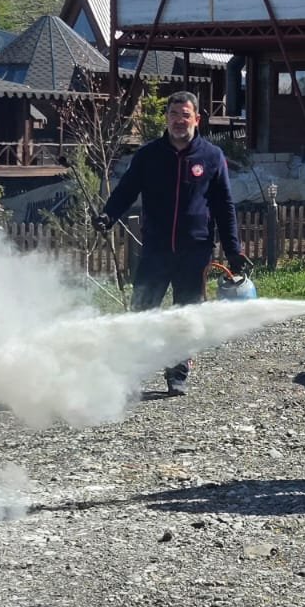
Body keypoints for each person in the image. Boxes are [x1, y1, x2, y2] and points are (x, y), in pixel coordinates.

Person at [94, 91, 249, 396]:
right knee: (142, 311)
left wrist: (234, 251)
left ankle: (177, 374)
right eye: (174, 115)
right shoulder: (148, 155)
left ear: (197, 119)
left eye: (185, 115)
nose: (179, 121)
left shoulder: (212, 157)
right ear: (166, 118)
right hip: (156, 249)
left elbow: (224, 206)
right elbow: (126, 190)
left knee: (186, 315)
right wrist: (108, 216)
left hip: (196, 250)